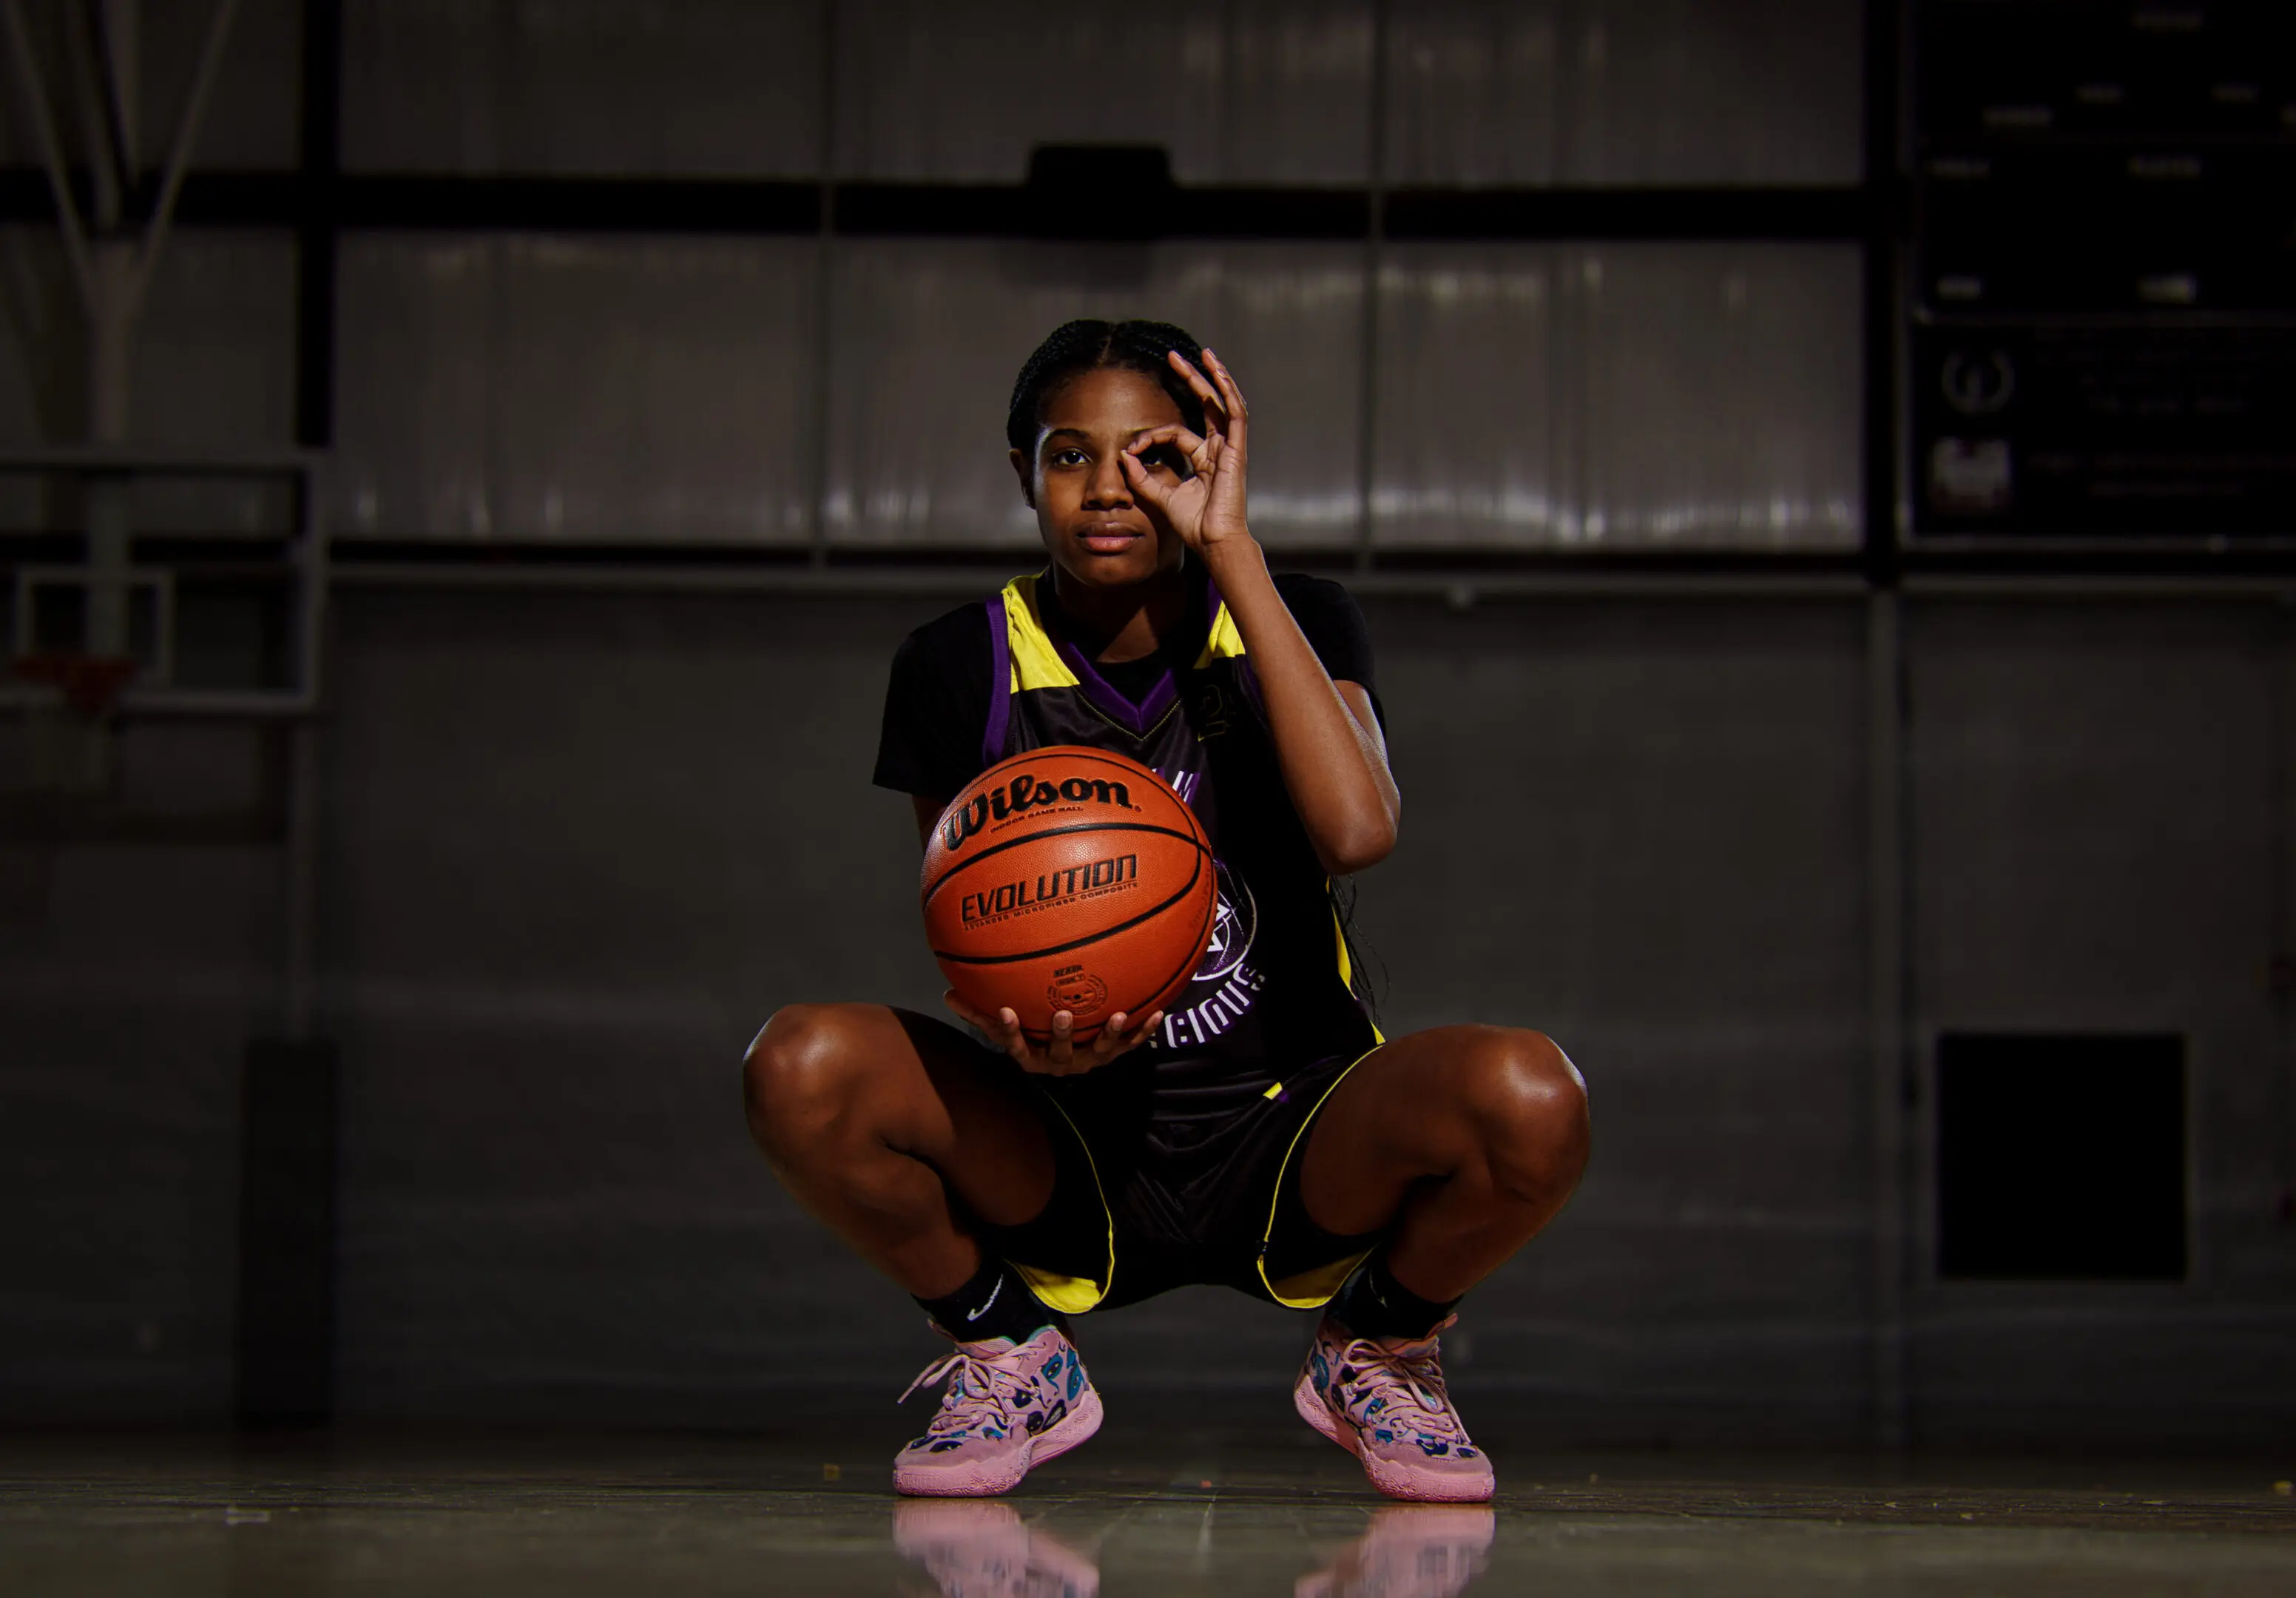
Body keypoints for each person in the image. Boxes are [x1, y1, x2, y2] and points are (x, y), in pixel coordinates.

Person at [743, 319, 1589, 1503]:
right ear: (1022, 474)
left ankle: (1380, 1345)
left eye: (1154, 457)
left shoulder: (1297, 614)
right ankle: (1007, 1347)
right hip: (1070, 1139)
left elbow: (1361, 833)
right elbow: (968, 918)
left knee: (1532, 1100)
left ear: (1207, 463)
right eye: (1069, 455)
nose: (1108, 490)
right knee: (800, 1065)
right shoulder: (958, 663)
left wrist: (1232, 549)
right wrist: (1016, 1029)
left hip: (1297, 1129)